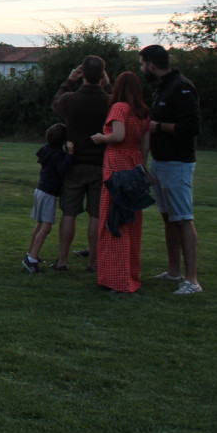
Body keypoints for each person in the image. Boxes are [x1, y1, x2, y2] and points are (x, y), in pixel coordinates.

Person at [140, 44, 203, 295]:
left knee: (183, 219)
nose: (141, 68)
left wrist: (156, 126)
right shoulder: (163, 87)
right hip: (161, 161)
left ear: (151, 65)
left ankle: (192, 280)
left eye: (142, 63)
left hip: (178, 163)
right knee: (168, 217)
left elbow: (192, 127)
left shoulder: (182, 87)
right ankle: (174, 271)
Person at [90, 72, 150, 293]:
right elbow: (145, 146)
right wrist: (143, 167)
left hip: (117, 166)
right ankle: (130, 274)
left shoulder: (119, 108)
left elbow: (118, 136)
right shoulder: (143, 112)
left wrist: (100, 138)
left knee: (114, 219)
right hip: (135, 166)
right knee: (131, 221)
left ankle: (117, 279)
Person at [51, 55, 111, 271]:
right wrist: (108, 84)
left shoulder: (71, 99)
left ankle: (63, 260)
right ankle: (93, 262)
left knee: (69, 213)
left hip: (74, 163)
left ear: (82, 74)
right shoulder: (108, 101)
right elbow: (118, 104)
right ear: (102, 75)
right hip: (100, 164)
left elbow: (55, 103)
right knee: (96, 214)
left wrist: (68, 81)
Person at [24, 124, 73, 272]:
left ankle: (31, 253)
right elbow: (63, 170)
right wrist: (70, 153)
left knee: (39, 224)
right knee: (47, 226)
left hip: (40, 190)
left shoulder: (46, 150)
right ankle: (32, 259)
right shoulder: (58, 154)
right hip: (49, 193)